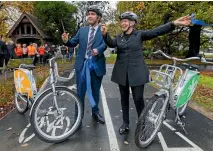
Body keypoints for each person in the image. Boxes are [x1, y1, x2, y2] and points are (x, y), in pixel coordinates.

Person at [101, 12, 192, 134]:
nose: (123, 23)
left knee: (138, 99)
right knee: (124, 99)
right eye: (122, 21)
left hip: (137, 72)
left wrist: (174, 23)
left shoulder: (139, 35)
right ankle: (125, 123)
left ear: (133, 23)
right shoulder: (119, 37)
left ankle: (142, 122)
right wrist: (105, 34)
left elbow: (156, 31)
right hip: (122, 72)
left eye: (126, 21)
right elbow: (111, 43)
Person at [62, 5, 107, 126]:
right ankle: (78, 117)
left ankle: (95, 113)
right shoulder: (82, 30)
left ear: (98, 17)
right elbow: (72, 43)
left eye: (92, 14)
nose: (90, 16)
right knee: (80, 93)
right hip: (82, 66)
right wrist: (66, 40)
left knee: (95, 92)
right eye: (89, 14)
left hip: (96, 66)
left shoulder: (103, 30)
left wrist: (98, 50)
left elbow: (106, 43)